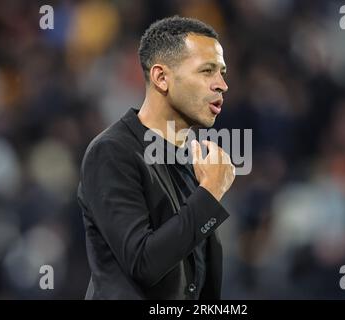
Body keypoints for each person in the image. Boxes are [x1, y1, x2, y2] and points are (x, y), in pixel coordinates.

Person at [77, 16, 235, 300]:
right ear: (161, 77)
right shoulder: (112, 152)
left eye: (222, 72)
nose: (222, 84)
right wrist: (210, 193)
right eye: (207, 71)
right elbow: (143, 264)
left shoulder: (196, 158)